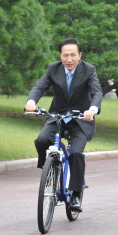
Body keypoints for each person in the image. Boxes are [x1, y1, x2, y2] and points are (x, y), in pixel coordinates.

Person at [25, 38, 102, 212]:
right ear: (60, 55)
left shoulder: (89, 70)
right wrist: (31, 101)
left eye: (73, 55)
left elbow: (96, 91)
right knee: (42, 140)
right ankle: (49, 168)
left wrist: (93, 109)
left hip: (81, 120)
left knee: (75, 153)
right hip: (57, 116)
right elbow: (40, 86)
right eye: (65, 55)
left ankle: (75, 193)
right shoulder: (53, 68)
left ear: (79, 55)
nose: (69, 59)